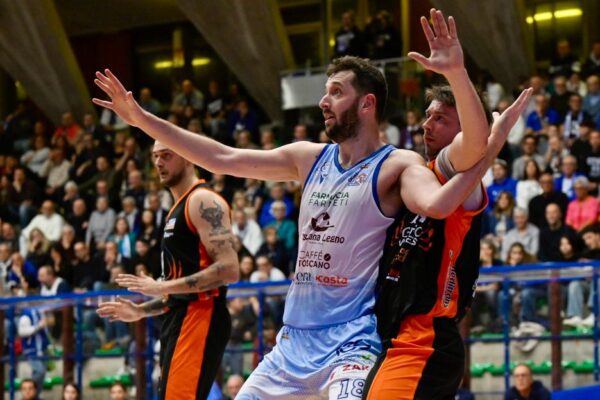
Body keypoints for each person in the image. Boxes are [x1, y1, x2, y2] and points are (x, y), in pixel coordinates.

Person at [92, 9, 521, 398]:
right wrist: (141, 119)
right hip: (291, 343)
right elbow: (222, 157)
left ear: (367, 103)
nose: (323, 101)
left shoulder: (399, 165)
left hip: (353, 342)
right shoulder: (308, 157)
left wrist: (459, 81)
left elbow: (443, 196)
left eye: (335, 92)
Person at [364, 10, 531, 399]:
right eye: (427, 116)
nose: (427, 124)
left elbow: (472, 143)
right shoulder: (416, 178)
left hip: (425, 339)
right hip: (395, 338)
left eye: (440, 118)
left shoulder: (452, 173)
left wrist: (456, 73)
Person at [97, 141, 239, 399]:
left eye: (166, 155)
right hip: (180, 317)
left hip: (201, 316)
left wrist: (162, 286)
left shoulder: (202, 200)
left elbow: (229, 270)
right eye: (155, 156)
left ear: (188, 156)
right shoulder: (176, 209)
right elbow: (177, 291)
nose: (158, 163)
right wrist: (141, 311)